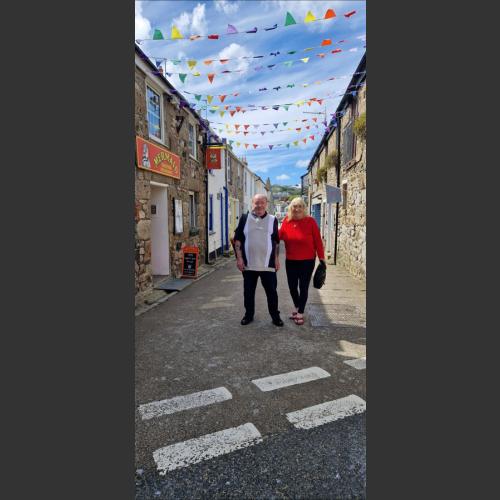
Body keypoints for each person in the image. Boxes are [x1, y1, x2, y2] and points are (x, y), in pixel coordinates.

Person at [233, 194, 284, 327]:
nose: (259, 205)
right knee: (248, 292)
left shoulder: (273, 219)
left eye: (262, 202)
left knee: (272, 292)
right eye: (256, 203)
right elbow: (237, 239)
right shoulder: (244, 218)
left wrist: (277, 259)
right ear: (252, 204)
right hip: (249, 264)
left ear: (266, 203)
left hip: (268, 265)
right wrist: (239, 259)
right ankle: (248, 315)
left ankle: (275, 316)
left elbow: (276, 242)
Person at [278, 197, 325, 326]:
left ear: (304, 208)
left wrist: (321, 258)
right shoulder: (286, 221)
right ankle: (298, 306)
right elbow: (278, 236)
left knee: (303, 287)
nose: (297, 208)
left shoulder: (310, 221)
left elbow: (317, 241)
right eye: (294, 206)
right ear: (290, 208)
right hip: (291, 260)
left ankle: (300, 312)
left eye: (300, 206)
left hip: (307, 261)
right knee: (292, 287)